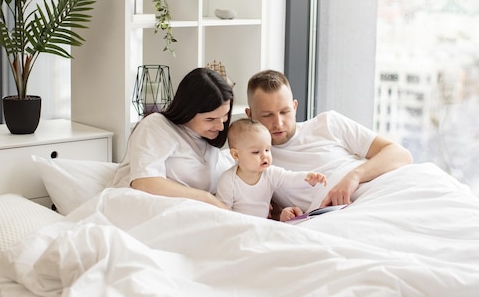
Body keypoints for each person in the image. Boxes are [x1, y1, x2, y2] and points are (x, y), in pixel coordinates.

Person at [245, 70, 414, 216]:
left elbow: (401, 154)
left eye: (285, 112)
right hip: (344, 213)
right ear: (249, 115)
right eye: (267, 115)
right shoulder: (251, 160)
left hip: (386, 186)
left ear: (295, 107)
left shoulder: (328, 123)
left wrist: (354, 177)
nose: (279, 123)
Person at [109, 67, 235, 209]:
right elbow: (144, 182)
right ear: (188, 110)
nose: (220, 126)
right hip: (143, 207)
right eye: (210, 119)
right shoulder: (156, 126)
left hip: (191, 209)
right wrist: (207, 199)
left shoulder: (208, 140)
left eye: (224, 117)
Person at [215, 118, 327, 221]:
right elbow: (223, 211)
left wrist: (308, 178)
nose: (264, 156)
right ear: (236, 155)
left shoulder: (270, 173)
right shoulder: (229, 180)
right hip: (239, 226)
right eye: (256, 152)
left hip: (264, 225)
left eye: (267, 150)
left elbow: (290, 178)